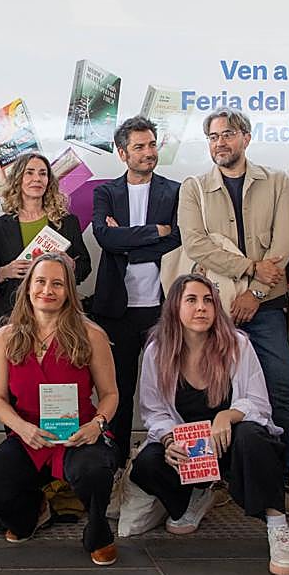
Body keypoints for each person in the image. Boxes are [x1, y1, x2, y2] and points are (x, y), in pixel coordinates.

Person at [130, 275, 289, 575]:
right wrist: (170, 440)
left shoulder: (237, 344)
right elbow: (154, 412)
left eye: (208, 300)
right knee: (147, 462)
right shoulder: (158, 350)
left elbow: (259, 404)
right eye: (191, 300)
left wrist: (229, 416)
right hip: (191, 452)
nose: (201, 308)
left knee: (252, 435)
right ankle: (197, 495)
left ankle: (278, 527)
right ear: (174, 308)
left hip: (231, 446)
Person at [178, 108, 289, 511]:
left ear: (246, 138)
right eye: (213, 137)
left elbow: (285, 244)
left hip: (265, 306)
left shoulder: (277, 182)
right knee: (211, 393)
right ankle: (213, 481)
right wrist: (248, 268)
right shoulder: (193, 188)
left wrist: (257, 293)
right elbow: (195, 244)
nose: (220, 143)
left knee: (281, 389)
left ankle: (278, 481)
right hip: (215, 306)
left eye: (228, 135)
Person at [0, 252, 120, 566]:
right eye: (40, 282)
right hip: (28, 435)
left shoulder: (91, 334)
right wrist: (22, 429)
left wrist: (97, 425)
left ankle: (99, 531)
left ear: (69, 291)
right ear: (27, 287)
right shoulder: (5, 337)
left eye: (57, 284)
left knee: (93, 471)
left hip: (78, 434)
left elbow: (110, 394)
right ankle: (33, 511)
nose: (47, 290)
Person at [90, 115, 181, 465]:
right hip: (117, 309)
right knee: (119, 391)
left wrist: (126, 240)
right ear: (122, 152)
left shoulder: (174, 191)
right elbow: (104, 237)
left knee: (169, 390)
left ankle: (176, 466)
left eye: (152, 144)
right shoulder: (106, 192)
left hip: (163, 305)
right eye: (139, 147)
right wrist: (154, 232)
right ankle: (116, 467)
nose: (148, 152)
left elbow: (177, 239)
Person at [0, 152, 91, 332]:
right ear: (18, 179)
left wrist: (71, 265)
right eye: (29, 172)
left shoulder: (68, 222)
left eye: (43, 173)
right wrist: (3, 272)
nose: (37, 179)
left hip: (59, 315)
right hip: (13, 315)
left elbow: (85, 266)